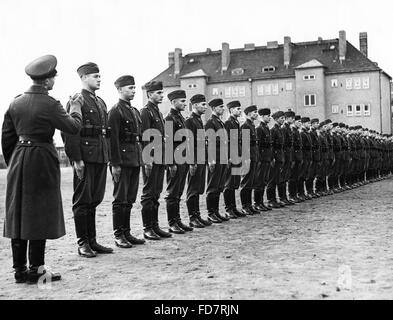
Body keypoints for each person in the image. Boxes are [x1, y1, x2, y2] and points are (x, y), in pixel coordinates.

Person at [2, 55, 82, 283]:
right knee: (39, 214)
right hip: (42, 161)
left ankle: (19, 271)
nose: (54, 80)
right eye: (53, 77)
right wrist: (75, 106)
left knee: (18, 214)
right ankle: (36, 269)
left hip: (19, 159)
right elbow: (73, 126)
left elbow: (6, 137)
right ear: (47, 80)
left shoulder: (15, 102)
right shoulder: (50, 103)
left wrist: (15, 161)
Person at [63, 62, 113, 258]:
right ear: (83, 78)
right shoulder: (77, 100)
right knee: (82, 201)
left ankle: (92, 240)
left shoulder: (100, 102)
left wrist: (107, 155)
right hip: (85, 157)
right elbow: (69, 131)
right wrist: (76, 159)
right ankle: (82, 242)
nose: (99, 79)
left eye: (100, 76)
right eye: (95, 76)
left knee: (94, 199)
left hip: (100, 156)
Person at [108, 75, 145, 248]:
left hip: (134, 158)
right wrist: (115, 164)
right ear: (120, 90)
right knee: (120, 199)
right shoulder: (115, 111)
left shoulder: (134, 111)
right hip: (122, 160)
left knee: (129, 198)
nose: (133, 91)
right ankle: (118, 234)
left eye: (134, 88)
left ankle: (127, 232)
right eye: (130, 88)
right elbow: (112, 139)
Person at [140, 81, 172, 240]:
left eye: (162, 92)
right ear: (149, 94)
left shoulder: (158, 112)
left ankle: (155, 225)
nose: (161, 95)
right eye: (158, 93)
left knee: (156, 193)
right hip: (151, 158)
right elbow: (145, 138)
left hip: (160, 157)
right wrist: (147, 160)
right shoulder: (145, 112)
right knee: (148, 194)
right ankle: (147, 228)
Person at [164, 90, 193, 234]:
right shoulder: (169, 118)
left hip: (183, 158)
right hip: (175, 158)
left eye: (184, 100)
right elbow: (168, 142)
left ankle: (177, 220)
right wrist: (170, 163)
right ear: (173, 102)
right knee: (172, 192)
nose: (184, 103)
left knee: (179, 191)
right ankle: (172, 223)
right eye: (181, 101)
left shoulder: (180, 118)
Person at [185, 94, 212, 228]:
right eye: (203, 105)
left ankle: (197, 215)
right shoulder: (190, 121)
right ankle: (192, 217)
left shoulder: (199, 120)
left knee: (198, 188)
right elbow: (189, 142)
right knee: (193, 189)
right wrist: (191, 161)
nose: (205, 107)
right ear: (195, 105)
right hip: (195, 158)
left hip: (201, 158)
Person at [205, 98, 229, 223]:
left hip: (223, 157)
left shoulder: (220, 122)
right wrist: (211, 159)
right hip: (216, 158)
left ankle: (216, 211)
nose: (223, 109)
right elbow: (209, 143)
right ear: (213, 109)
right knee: (213, 186)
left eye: (223, 106)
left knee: (219, 186)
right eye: (220, 107)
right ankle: (210, 213)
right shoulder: (210, 122)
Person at [223, 100, 247, 218]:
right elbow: (227, 142)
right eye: (237, 108)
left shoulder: (235, 122)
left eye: (240, 108)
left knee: (234, 183)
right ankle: (229, 209)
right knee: (229, 183)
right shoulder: (228, 123)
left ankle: (233, 207)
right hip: (232, 157)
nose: (240, 110)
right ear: (231, 110)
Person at [240, 105, 260, 215]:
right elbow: (244, 144)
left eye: (256, 112)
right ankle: (245, 206)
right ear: (248, 114)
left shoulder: (252, 125)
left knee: (251, 182)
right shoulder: (246, 126)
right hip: (248, 158)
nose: (256, 114)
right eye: (254, 112)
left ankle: (249, 205)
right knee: (246, 182)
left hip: (254, 156)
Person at [254, 108, 273, 211]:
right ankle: (257, 203)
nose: (269, 117)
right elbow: (258, 146)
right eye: (267, 116)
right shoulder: (259, 129)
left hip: (267, 158)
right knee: (259, 181)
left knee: (264, 181)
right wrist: (260, 159)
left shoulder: (266, 128)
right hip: (261, 159)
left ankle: (260, 202)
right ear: (262, 117)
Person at [266, 111, 285, 208]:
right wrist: (272, 158)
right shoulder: (273, 130)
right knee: (272, 180)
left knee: (277, 179)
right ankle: (270, 200)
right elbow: (271, 146)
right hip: (274, 158)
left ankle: (275, 199)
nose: (283, 120)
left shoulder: (280, 130)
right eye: (281, 118)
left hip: (279, 157)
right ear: (276, 119)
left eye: (283, 118)